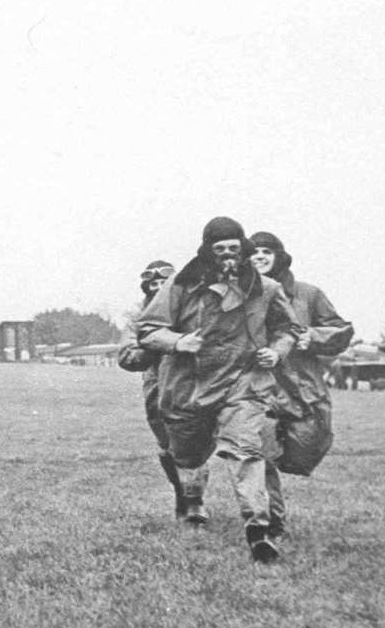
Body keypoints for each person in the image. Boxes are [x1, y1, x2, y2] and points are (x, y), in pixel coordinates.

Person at [137, 216, 302, 563]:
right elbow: (148, 330)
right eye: (220, 249)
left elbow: (287, 329)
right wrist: (179, 341)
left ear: (242, 248)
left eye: (233, 248)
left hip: (243, 382)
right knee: (187, 455)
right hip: (190, 386)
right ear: (207, 251)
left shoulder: (266, 288)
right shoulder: (181, 286)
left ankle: (258, 530)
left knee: (246, 450)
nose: (228, 255)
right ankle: (191, 498)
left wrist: (277, 350)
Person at [247, 231, 353, 537]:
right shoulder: (242, 297)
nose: (260, 257)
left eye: (266, 251)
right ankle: (270, 520)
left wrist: (313, 337)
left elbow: (342, 331)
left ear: (279, 256)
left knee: (304, 454)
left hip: (305, 392)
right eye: (253, 252)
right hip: (261, 390)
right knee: (257, 452)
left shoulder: (308, 294)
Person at [117, 259, 203, 518]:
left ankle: (196, 501)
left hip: (191, 383)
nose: (158, 288)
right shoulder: (138, 319)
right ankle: (181, 493)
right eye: (153, 284)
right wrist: (158, 344)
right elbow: (127, 356)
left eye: (164, 283)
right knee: (167, 445)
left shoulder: (191, 311)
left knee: (194, 443)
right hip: (157, 387)